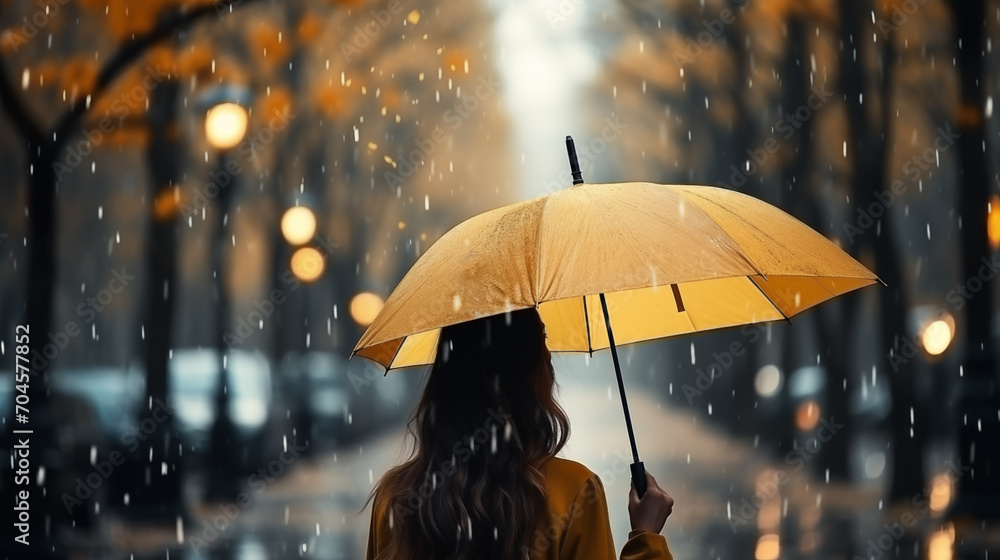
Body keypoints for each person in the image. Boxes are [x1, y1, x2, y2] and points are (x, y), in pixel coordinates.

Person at [365, 307, 674, 560]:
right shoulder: (574, 492)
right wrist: (646, 539)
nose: (550, 355)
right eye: (542, 340)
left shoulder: (396, 499)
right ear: (530, 371)